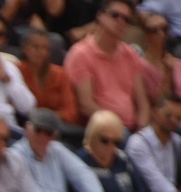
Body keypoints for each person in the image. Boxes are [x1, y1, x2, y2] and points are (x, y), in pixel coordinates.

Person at [63, 0, 149, 132]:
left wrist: (142, 129)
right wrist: (117, 125)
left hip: (132, 128)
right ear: (100, 15)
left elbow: (143, 103)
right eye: (115, 15)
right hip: (100, 131)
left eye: (126, 19)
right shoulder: (81, 53)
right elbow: (86, 105)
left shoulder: (131, 54)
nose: (121, 21)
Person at [15, 106, 107, 192]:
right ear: (27, 128)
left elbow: (83, 174)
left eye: (48, 133)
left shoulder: (56, 150)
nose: (42, 136)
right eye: (38, 130)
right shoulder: (16, 155)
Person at [127, 95, 181, 192]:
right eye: (168, 115)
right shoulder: (138, 142)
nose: (173, 121)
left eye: (178, 118)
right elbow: (157, 183)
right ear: (155, 112)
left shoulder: (177, 142)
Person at [75, 108, 148, 192]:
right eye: (105, 140)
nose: (111, 146)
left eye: (116, 142)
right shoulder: (79, 161)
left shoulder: (123, 159)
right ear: (93, 136)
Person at [19, 27, 81, 131]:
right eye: (35, 47)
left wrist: (46, 118)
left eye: (45, 48)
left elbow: (71, 113)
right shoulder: (16, 71)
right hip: (25, 126)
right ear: (24, 48)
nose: (41, 52)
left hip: (56, 129)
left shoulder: (61, 75)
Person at [137, 11, 181, 121]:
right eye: (154, 30)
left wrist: (176, 112)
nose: (161, 34)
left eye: (164, 28)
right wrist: (168, 76)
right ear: (145, 35)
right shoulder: (140, 67)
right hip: (161, 124)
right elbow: (156, 107)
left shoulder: (180, 65)